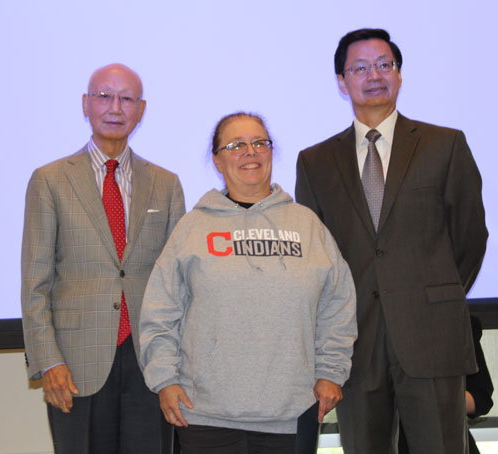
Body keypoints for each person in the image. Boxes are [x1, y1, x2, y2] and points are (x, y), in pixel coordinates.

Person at [295, 28, 488, 454]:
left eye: (385, 64)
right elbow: (315, 256)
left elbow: (470, 236)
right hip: (355, 342)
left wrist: (431, 293)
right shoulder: (315, 161)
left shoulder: (444, 145)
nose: (375, 75)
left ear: (399, 75)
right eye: (360, 67)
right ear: (342, 82)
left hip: (431, 338)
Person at [139, 112, 357, 454]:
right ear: (217, 159)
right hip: (205, 416)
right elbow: (160, 311)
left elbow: (338, 304)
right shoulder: (193, 228)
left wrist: (331, 372)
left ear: (271, 152)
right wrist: (165, 380)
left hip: (291, 412)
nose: (250, 152)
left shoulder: (307, 225)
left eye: (259, 143)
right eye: (236, 145)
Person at [21, 63, 185, 454]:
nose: (115, 107)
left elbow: (178, 282)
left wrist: (177, 366)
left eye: (126, 98)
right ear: (85, 104)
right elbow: (35, 282)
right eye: (104, 96)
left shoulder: (166, 184)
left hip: (150, 361)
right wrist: (48, 362)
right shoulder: (50, 180)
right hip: (76, 364)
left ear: (141, 110)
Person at [398, 316, 494, 454]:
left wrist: (433, 396)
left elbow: (481, 398)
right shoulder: (372, 326)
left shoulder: (458, 323)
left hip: (447, 438)